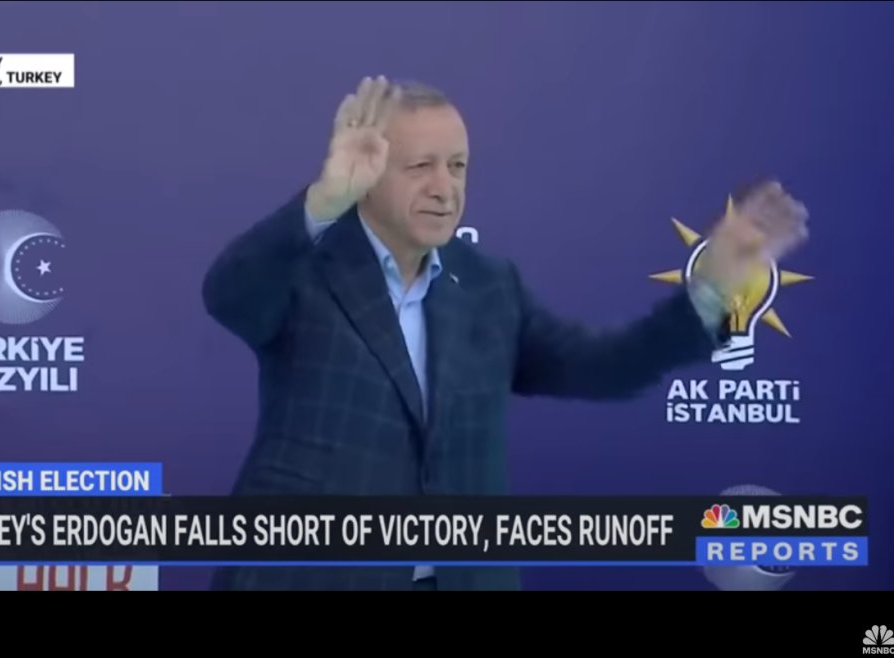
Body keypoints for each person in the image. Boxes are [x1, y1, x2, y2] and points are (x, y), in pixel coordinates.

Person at [201, 76, 809, 591]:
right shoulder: (306, 268)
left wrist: (709, 291)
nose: (445, 188)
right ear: (369, 174)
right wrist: (323, 201)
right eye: (420, 167)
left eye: (457, 167)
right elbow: (227, 295)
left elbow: (606, 368)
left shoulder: (489, 287)